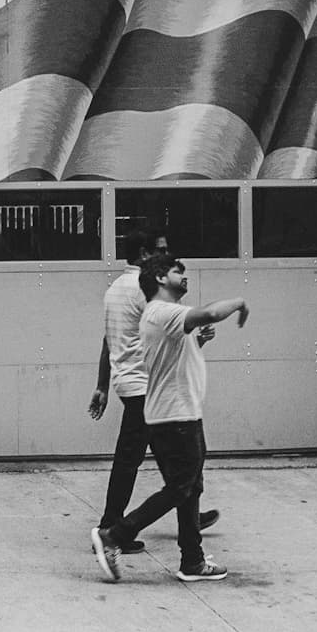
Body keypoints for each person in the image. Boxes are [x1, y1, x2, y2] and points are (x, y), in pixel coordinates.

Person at [91, 260, 248, 584]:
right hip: (176, 416)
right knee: (180, 487)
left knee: (190, 487)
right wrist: (239, 303)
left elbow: (176, 356)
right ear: (161, 278)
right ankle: (115, 535)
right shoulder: (163, 311)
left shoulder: (160, 316)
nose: (185, 275)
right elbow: (210, 313)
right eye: (178, 271)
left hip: (179, 413)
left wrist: (198, 341)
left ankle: (192, 560)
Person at [87, 238, 217, 559]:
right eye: (160, 251)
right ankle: (111, 527)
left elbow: (108, 339)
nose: (166, 255)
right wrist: (197, 339)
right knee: (137, 459)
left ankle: (188, 511)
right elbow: (165, 336)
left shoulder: (115, 287)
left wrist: (103, 385)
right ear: (144, 254)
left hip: (129, 382)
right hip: (147, 384)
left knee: (171, 461)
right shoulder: (143, 291)